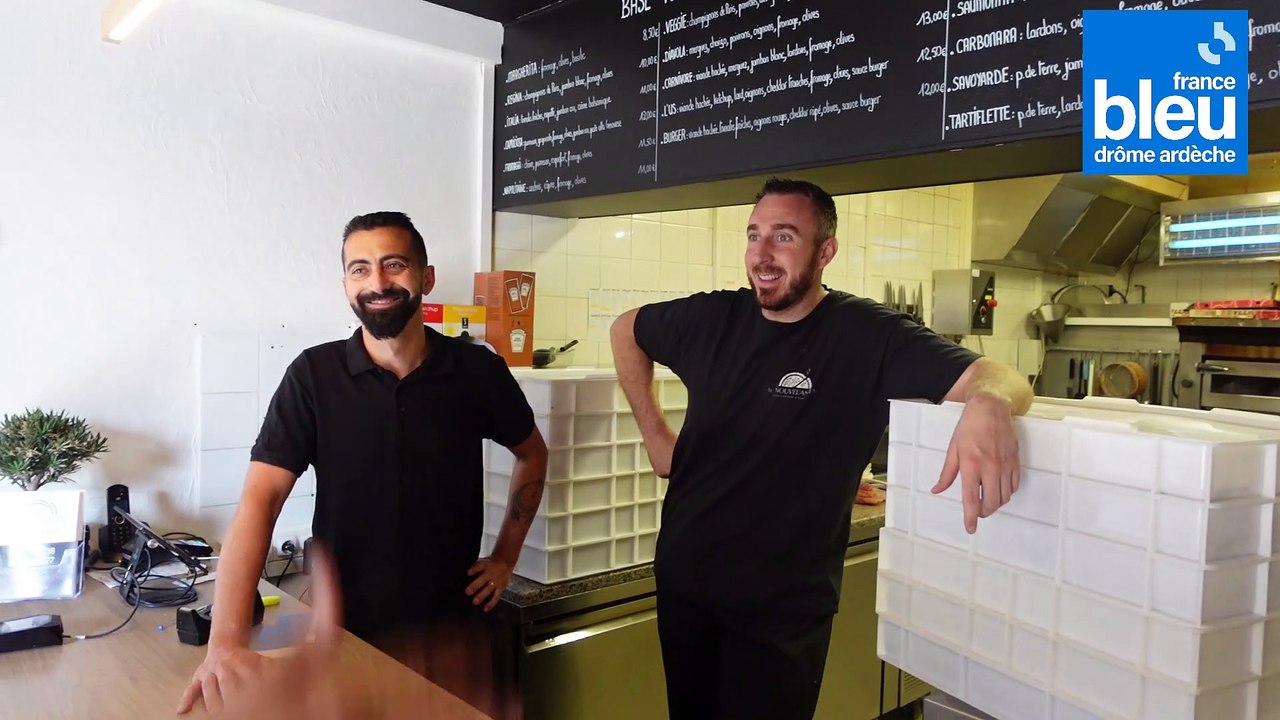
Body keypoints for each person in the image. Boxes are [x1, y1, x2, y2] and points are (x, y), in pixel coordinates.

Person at [609, 178, 1033, 720]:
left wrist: (990, 403)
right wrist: (656, 435)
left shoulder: (868, 335)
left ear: (825, 251)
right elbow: (627, 331)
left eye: (783, 237)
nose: (761, 255)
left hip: (781, 610)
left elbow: (999, 377)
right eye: (754, 235)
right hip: (686, 584)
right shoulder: (711, 319)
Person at [178, 211, 548, 715]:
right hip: (342, 631)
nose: (377, 282)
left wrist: (506, 556)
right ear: (346, 284)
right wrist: (224, 642)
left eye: (393, 264)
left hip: (453, 634)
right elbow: (259, 503)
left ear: (426, 276)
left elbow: (533, 453)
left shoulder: (476, 370)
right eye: (360, 269)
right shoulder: (313, 376)